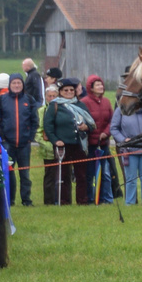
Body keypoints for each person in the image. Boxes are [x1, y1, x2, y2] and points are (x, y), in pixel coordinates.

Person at [42, 77, 92, 206]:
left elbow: (91, 123)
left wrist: (86, 127)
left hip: (79, 144)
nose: (69, 92)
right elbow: (48, 126)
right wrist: (55, 141)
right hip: (62, 145)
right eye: (66, 90)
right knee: (63, 175)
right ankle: (64, 201)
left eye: (71, 90)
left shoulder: (80, 105)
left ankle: (82, 200)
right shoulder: (55, 105)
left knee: (81, 175)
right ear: (60, 92)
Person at [0, 73, 39, 207]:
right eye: (14, 83)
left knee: (25, 174)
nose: (17, 85)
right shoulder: (1, 100)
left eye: (19, 83)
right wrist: (3, 137)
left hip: (24, 144)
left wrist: (30, 138)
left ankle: (26, 200)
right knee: (8, 173)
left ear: (22, 85)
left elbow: (34, 121)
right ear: (9, 85)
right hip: (7, 143)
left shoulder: (29, 100)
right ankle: (9, 200)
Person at [113, 97, 142, 205]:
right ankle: (130, 202)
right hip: (129, 150)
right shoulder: (120, 110)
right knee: (130, 179)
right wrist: (123, 140)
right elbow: (114, 128)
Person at [80, 75, 116, 204]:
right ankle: (90, 198)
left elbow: (112, 120)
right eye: (97, 85)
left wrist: (106, 133)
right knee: (90, 173)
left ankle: (106, 198)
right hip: (90, 145)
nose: (101, 87)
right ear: (91, 88)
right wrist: (91, 131)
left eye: (101, 84)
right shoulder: (84, 102)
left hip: (103, 144)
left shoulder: (106, 101)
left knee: (105, 173)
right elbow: (83, 121)